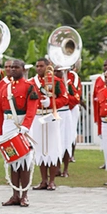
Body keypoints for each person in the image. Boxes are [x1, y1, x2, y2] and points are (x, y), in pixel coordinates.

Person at [0, 59, 38, 206]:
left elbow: (32, 109)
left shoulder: (30, 86)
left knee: (25, 161)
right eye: (11, 67)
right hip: (8, 125)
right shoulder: (4, 87)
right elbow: (0, 111)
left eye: (16, 67)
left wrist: (26, 126)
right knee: (12, 160)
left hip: (22, 124)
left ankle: (24, 195)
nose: (13, 69)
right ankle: (14, 195)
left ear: (23, 69)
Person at [30, 58, 68, 191]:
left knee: (52, 148)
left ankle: (52, 180)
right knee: (40, 149)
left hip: (51, 115)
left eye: (41, 66)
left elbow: (64, 99)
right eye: (37, 66)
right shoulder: (32, 82)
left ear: (48, 67)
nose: (39, 68)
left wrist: (51, 103)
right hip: (38, 116)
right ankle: (43, 180)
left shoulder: (56, 81)